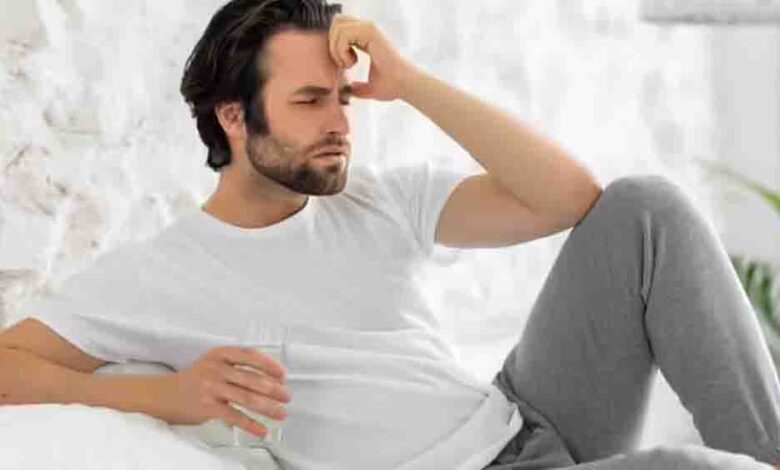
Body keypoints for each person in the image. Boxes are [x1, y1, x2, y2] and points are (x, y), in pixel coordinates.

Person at [2, 0, 779, 469]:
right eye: (310, 101)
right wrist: (164, 395)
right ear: (235, 118)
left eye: (343, 99)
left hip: (522, 415)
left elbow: (572, 200)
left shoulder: (375, 199)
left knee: (646, 207)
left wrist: (409, 84)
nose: (341, 123)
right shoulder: (162, 272)